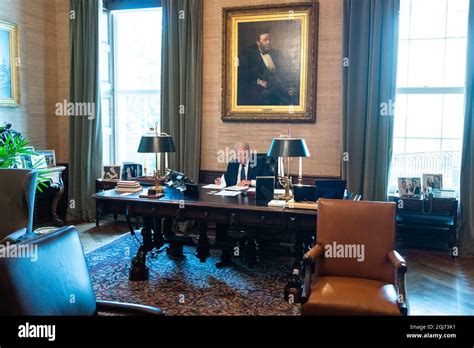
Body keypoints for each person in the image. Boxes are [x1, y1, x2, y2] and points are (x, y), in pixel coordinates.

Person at [237, 30, 298, 106]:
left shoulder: (277, 53)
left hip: (280, 83)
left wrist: (290, 85)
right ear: (258, 42)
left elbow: (285, 71)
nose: (268, 42)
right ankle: (285, 94)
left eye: (269, 39)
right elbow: (244, 75)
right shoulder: (250, 56)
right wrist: (258, 81)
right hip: (268, 85)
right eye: (265, 40)